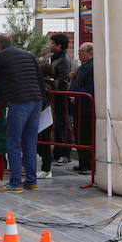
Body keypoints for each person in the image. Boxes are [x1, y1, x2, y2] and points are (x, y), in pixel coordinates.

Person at [0, 34, 45, 193]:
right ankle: (31, 181)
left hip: (19, 101)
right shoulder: (28, 55)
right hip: (35, 100)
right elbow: (39, 78)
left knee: (14, 142)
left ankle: (15, 183)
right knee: (30, 142)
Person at [70, 42, 95, 176]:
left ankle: (88, 165)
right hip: (78, 108)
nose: (79, 54)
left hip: (86, 107)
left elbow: (91, 86)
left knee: (86, 136)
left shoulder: (93, 66)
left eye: (82, 51)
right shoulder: (82, 67)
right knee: (80, 135)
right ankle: (82, 162)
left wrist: (78, 96)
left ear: (90, 52)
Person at [49, 33, 73, 165]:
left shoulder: (64, 60)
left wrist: (51, 83)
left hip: (62, 95)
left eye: (52, 43)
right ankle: (57, 152)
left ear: (59, 45)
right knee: (57, 124)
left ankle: (65, 153)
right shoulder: (55, 58)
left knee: (64, 124)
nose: (50, 45)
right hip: (55, 95)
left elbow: (63, 80)